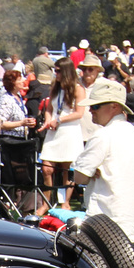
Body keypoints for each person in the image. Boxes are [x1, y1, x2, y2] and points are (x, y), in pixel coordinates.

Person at [72, 79, 134, 241]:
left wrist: (89, 174)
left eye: (96, 106)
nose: (91, 110)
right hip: (129, 223)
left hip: (102, 224)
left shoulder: (103, 135)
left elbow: (79, 177)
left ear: (114, 106)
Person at [39, 57, 85, 197]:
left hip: (69, 130)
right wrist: (48, 120)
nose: (55, 73)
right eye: (54, 70)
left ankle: (66, 201)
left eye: (58, 71)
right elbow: (49, 109)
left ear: (66, 72)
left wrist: (59, 120)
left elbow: (79, 113)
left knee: (67, 169)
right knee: (46, 168)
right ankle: (47, 201)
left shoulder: (78, 89)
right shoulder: (55, 88)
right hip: (53, 131)